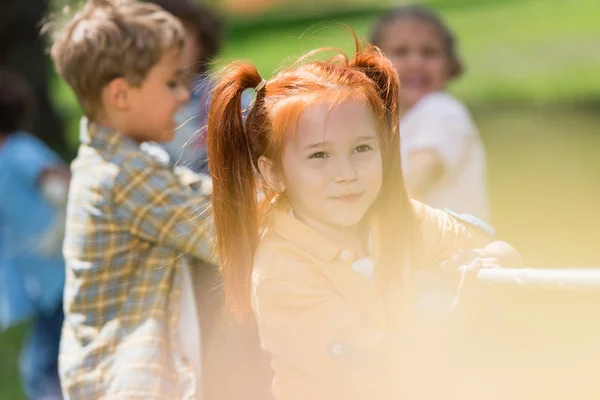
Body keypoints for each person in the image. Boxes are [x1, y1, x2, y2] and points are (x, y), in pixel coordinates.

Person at [207, 35, 521, 399]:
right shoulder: (282, 273)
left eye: (362, 148)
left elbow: (480, 246)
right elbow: (376, 369)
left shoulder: (394, 219)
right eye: (320, 156)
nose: (347, 173)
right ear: (274, 172)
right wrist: (458, 319)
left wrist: (495, 262)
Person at [46, 0, 215, 398]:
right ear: (121, 95)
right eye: (172, 82)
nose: (182, 95)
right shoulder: (123, 177)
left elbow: (199, 194)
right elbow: (226, 234)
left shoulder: (122, 161)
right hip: (128, 382)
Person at [371, 6, 491, 222]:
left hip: (456, 253)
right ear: (374, 65)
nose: (416, 63)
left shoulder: (442, 110)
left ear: (450, 65)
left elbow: (419, 177)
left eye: (429, 53)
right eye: (400, 52)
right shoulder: (387, 124)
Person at [0, 68, 68, 400]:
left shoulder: (18, 149)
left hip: (58, 272)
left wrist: (57, 221)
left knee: (38, 367)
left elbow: (58, 179)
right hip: (41, 282)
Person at [146, 0, 224, 174]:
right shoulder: (140, 103)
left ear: (202, 40)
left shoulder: (224, 95)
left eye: (179, 32)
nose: (169, 42)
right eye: (158, 33)